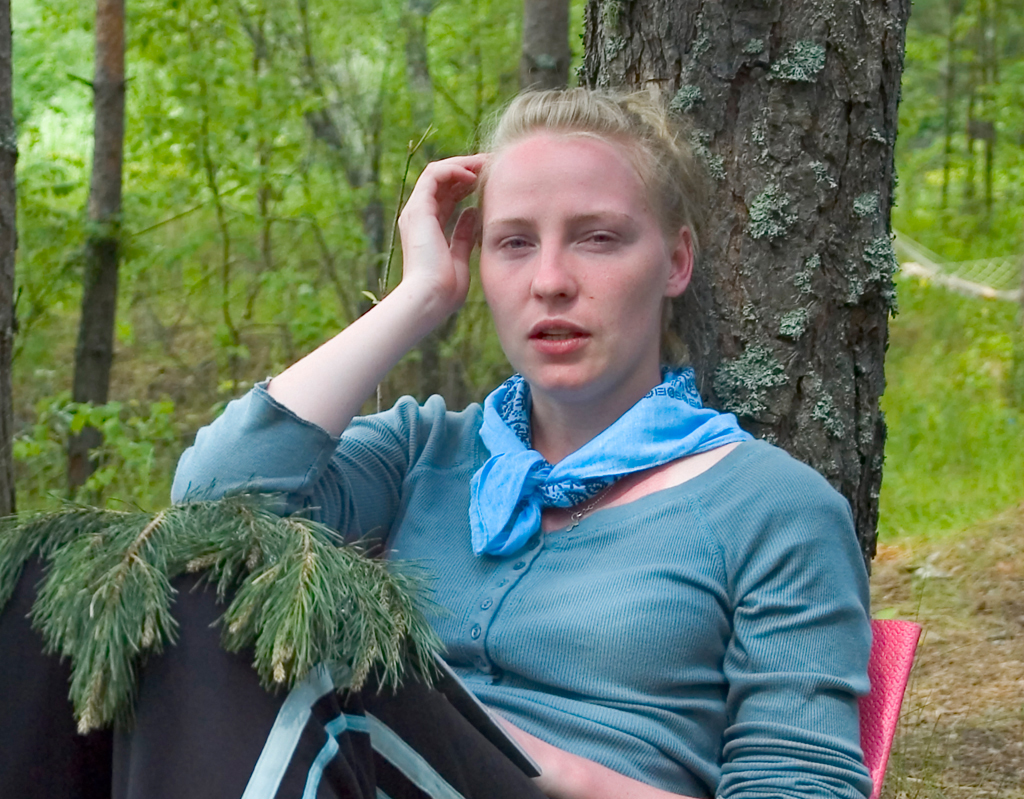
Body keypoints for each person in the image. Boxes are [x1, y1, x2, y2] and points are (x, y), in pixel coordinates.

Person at [0, 89, 871, 799]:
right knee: (53, 582)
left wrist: (538, 762)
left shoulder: (773, 508)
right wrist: (415, 297)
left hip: (504, 774)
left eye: (598, 238)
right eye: (513, 243)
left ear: (676, 261)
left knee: (294, 659)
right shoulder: (426, 448)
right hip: (353, 770)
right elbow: (209, 513)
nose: (551, 280)